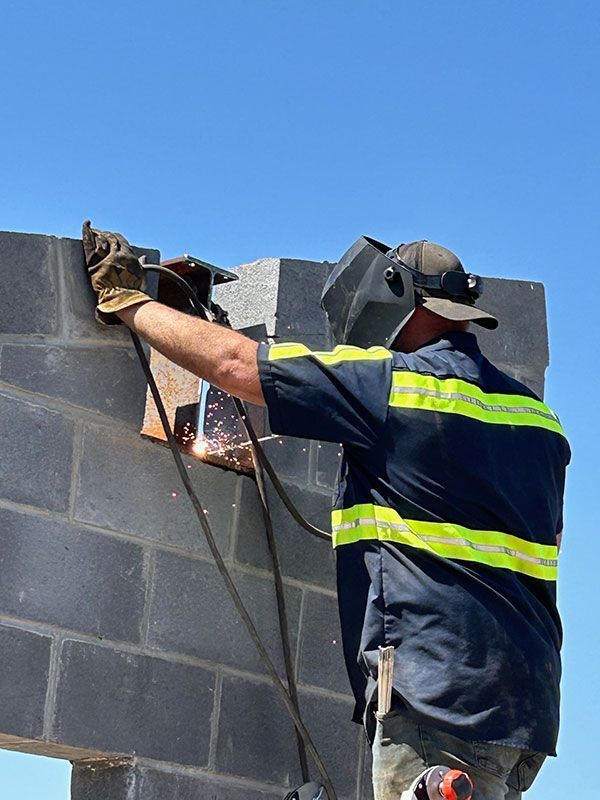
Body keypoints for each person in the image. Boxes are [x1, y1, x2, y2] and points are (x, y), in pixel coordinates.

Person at [83, 223, 570, 800]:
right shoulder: (539, 422)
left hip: (436, 696)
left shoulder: (394, 387)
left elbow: (236, 365)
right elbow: (547, 541)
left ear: (392, 295)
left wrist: (129, 302)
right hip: (525, 712)